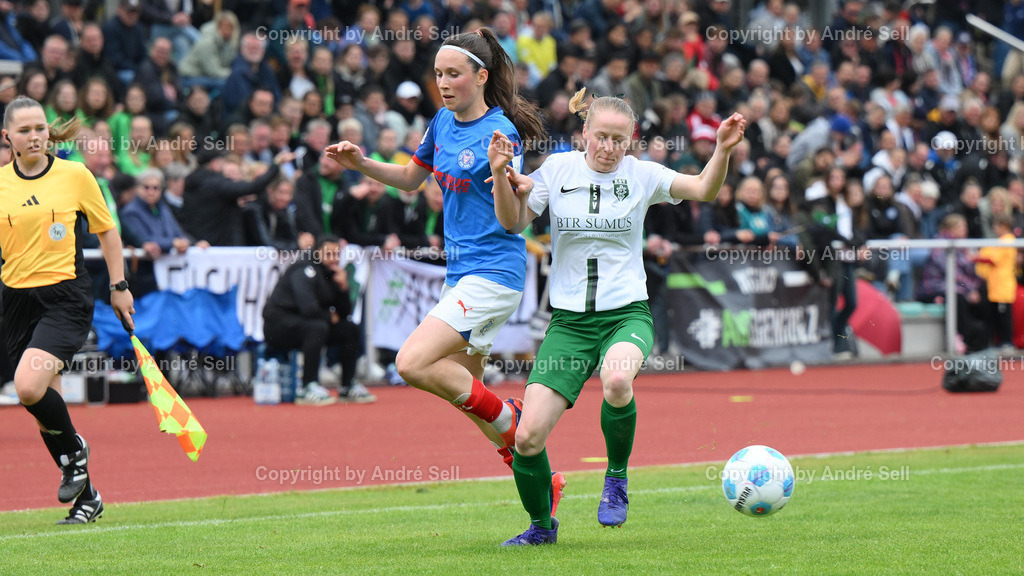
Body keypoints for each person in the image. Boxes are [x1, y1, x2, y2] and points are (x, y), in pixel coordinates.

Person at [497, 88, 745, 545]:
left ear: (630, 141)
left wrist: (723, 150)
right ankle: (541, 528)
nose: (609, 148)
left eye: (618, 140)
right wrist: (500, 177)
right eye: (601, 137)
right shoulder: (556, 170)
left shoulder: (643, 175)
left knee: (616, 380)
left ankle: (616, 478)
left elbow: (704, 189)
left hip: (626, 315)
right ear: (584, 133)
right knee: (527, 438)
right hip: (569, 324)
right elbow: (512, 222)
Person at [324, 28, 556, 480]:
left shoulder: (501, 133)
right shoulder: (441, 122)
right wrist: (361, 163)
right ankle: (543, 485)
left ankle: (511, 416)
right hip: (461, 274)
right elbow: (412, 179)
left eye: (454, 74)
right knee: (469, 397)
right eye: (438, 74)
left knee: (411, 363)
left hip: (494, 273)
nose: (444, 83)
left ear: (481, 76)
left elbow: (513, 221)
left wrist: (498, 172)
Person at [0, 96, 134, 523]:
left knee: (27, 388)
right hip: (16, 300)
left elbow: (107, 232)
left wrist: (119, 286)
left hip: (65, 297)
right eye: (24, 131)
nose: (34, 136)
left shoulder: (75, 174)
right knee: (45, 408)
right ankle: (87, 497)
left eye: (39, 128)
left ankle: (75, 451)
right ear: (7, 138)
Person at [262, 235, 370, 404]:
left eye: (336, 254)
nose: (333, 259)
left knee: (350, 328)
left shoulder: (333, 273)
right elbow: (308, 308)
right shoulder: (303, 268)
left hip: (309, 324)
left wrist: (343, 288)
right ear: (317, 253)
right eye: (328, 254)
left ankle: (347, 386)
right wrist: (329, 317)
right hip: (278, 326)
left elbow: (344, 314)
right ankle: (308, 387)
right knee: (317, 327)